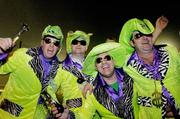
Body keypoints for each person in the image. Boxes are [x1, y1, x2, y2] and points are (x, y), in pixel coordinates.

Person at [0, 25, 83, 119]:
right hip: (9, 114)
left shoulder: (60, 70)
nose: (51, 45)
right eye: (48, 41)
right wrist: (0, 52)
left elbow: (73, 95)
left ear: (59, 47)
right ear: (42, 42)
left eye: (56, 43)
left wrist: (69, 114)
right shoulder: (22, 55)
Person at [119, 16, 180, 118]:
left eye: (148, 34)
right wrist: (90, 82)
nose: (145, 38)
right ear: (132, 43)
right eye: (138, 36)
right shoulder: (127, 65)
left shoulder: (170, 51)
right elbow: (105, 66)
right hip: (152, 115)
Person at [77, 42, 134, 119]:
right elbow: (83, 116)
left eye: (107, 58)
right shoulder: (92, 92)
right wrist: (68, 115)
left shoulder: (132, 77)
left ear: (114, 61)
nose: (104, 62)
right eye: (99, 60)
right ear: (96, 67)